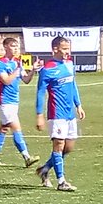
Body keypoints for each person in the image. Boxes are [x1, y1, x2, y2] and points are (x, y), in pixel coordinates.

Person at [35, 36, 85, 192]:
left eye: (68, 48)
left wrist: (79, 105)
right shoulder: (47, 69)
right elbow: (40, 92)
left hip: (70, 113)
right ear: (55, 49)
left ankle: (44, 169)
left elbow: (73, 85)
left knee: (68, 147)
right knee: (59, 145)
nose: (67, 52)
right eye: (64, 49)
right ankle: (61, 181)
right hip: (56, 113)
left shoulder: (69, 64)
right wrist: (39, 115)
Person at [0, 36, 41, 168]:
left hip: (14, 100)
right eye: (13, 46)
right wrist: (17, 70)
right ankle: (27, 157)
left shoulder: (17, 62)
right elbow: (6, 80)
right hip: (4, 101)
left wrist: (33, 70)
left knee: (4, 128)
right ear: (5, 47)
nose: (16, 48)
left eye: (17, 46)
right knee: (16, 127)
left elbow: (26, 80)